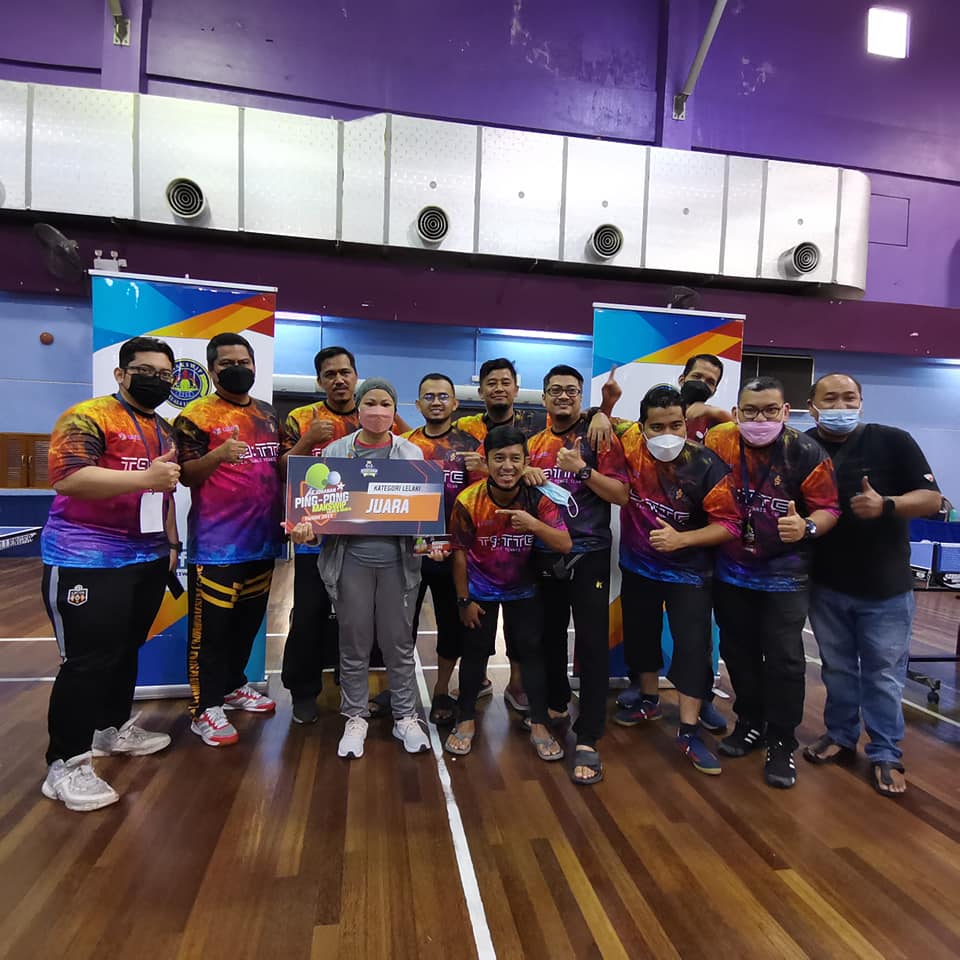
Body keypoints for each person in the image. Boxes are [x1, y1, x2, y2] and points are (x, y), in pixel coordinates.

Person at [40, 336, 180, 811]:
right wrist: (144, 478)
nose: (156, 380)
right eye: (146, 371)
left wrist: (171, 544)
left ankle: (109, 729)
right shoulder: (88, 416)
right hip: (85, 557)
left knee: (123, 651)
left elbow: (164, 494)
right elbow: (68, 477)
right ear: (121, 374)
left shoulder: (164, 430)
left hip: (146, 557)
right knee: (87, 662)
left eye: (165, 374)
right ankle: (66, 764)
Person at [803, 373, 941, 797]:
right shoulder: (802, 447)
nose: (840, 406)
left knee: (883, 674)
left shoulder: (892, 440)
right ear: (812, 407)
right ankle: (840, 734)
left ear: (861, 402)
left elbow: (933, 499)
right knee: (837, 669)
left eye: (849, 398)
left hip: (885, 588)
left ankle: (885, 751)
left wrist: (887, 505)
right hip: (826, 584)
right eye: (830, 398)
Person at [705, 376, 839, 788]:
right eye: (750, 411)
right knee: (737, 652)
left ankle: (782, 740)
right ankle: (750, 721)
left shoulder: (806, 451)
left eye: (768, 411)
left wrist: (807, 528)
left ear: (785, 412)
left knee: (784, 659)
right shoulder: (719, 441)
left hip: (786, 575)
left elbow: (829, 509)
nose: (759, 419)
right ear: (736, 412)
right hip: (731, 571)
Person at [292, 378, 432, 759]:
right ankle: (355, 716)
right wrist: (307, 528)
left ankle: (405, 716)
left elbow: (422, 513)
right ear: (357, 409)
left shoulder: (411, 452)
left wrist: (428, 541)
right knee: (353, 642)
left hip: (398, 562)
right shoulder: (336, 451)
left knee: (398, 643)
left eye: (385, 404)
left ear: (395, 411)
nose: (378, 411)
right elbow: (318, 510)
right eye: (370, 403)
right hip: (350, 559)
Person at [613, 386, 741, 775]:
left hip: (690, 573)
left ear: (686, 423)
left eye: (676, 424)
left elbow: (729, 525)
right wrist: (602, 409)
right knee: (641, 637)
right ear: (641, 426)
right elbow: (599, 420)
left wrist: (682, 540)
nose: (668, 433)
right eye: (658, 426)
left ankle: (688, 729)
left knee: (692, 648)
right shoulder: (628, 441)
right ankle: (649, 700)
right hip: (638, 566)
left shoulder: (707, 465)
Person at [279, 346, 409, 724]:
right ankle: (304, 692)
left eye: (345, 372)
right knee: (309, 616)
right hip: (316, 541)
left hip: (367, 544)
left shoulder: (379, 413)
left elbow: (413, 469)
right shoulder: (302, 418)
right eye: (330, 374)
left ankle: (349, 684)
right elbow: (284, 471)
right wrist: (307, 441)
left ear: (355, 376)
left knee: (357, 622)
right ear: (320, 381)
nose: (338, 379)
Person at [175, 332, 283, 747]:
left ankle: (234, 686)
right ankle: (204, 708)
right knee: (211, 632)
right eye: (227, 363)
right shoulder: (196, 416)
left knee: (246, 624)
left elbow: (279, 468)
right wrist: (218, 455)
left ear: (254, 365)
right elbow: (186, 475)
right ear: (212, 369)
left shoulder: (268, 413)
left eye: (244, 362)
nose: (237, 369)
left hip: (263, 539)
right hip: (217, 545)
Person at [526, 365, 629, 784]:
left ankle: (588, 735)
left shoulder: (599, 437)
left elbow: (621, 494)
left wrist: (583, 468)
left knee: (591, 643)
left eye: (571, 390)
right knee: (548, 637)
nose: (563, 396)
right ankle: (555, 704)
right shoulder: (533, 444)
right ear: (544, 398)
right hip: (545, 553)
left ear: (581, 395)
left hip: (590, 554)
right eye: (555, 390)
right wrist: (525, 476)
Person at [444, 425, 573, 760]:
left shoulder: (538, 497)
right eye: (499, 458)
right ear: (486, 462)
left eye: (515, 458)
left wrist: (533, 525)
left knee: (532, 653)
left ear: (526, 462)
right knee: (474, 653)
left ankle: (540, 722)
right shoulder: (468, 500)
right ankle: (466, 718)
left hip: (525, 590)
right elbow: (459, 554)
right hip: (481, 590)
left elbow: (564, 543)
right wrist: (463, 600)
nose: (507, 466)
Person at [453, 358, 537, 712]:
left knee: (523, 633)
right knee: (475, 631)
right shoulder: (463, 428)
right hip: (475, 537)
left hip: (521, 549)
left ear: (516, 388)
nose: (499, 388)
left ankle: (517, 686)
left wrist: (601, 411)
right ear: (480, 390)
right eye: (492, 382)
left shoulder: (536, 425)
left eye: (505, 382)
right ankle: (477, 683)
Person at [402, 373, 482, 725]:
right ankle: (400, 690)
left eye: (443, 396)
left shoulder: (471, 446)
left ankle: (441, 690)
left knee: (451, 627)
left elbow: (479, 502)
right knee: (401, 627)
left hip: (454, 555)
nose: (436, 402)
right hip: (409, 553)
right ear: (418, 404)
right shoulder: (403, 445)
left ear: (455, 403)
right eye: (429, 396)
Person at [677, 354, 734, 443]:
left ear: (714, 391)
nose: (702, 383)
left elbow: (742, 431)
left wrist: (715, 412)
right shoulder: (661, 409)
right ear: (682, 380)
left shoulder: (713, 419)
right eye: (697, 376)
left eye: (710, 382)